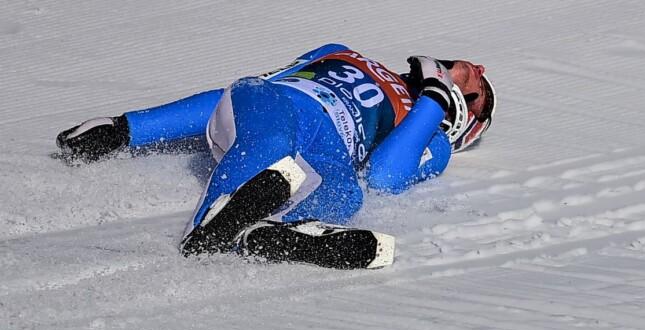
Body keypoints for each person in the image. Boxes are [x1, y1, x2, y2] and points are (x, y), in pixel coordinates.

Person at [56, 43, 497, 269]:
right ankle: (213, 229)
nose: (474, 69)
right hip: (278, 106)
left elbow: (383, 175)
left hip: (328, 153)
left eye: (478, 89)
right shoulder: (343, 52)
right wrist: (127, 129)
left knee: (347, 196)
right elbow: (242, 93)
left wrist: (437, 96)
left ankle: (263, 232)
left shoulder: (434, 141)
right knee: (269, 135)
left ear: (465, 120)